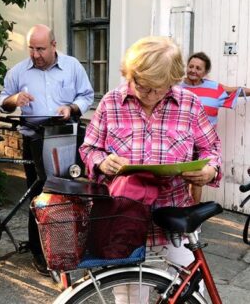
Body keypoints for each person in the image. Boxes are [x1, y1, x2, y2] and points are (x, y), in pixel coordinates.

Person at [79, 36, 221, 302]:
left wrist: (209, 171)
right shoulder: (111, 103)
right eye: (144, 87)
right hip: (125, 218)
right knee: (130, 295)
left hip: (175, 219)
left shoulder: (188, 104)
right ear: (131, 74)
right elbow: (89, 149)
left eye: (160, 88)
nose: (152, 95)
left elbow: (211, 150)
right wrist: (101, 161)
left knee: (192, 293)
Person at [0, 24, 94, 276]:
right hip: (35, 139)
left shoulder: (72, 66)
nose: (35, 54)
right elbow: (2, 102)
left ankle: (73, 246)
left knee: (73, 192)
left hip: (67, 137)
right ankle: (40, 253)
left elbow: (87, 95)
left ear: (54, 45)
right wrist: (13, 100)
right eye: (31, 48)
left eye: (41, 49)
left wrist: (71, 108)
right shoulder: (19, 71)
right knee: (39, 196)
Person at [181, 51, 250, 203]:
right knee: (179, 180)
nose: (193, 70)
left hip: (203, 144)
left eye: (198, 68)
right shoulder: (176, 87)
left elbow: (237, 91)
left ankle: (194, 216)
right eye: (191, 66)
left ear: (205, 72)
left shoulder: (215, 89)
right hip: (180, 141)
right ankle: (179, 214)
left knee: (197, 179)